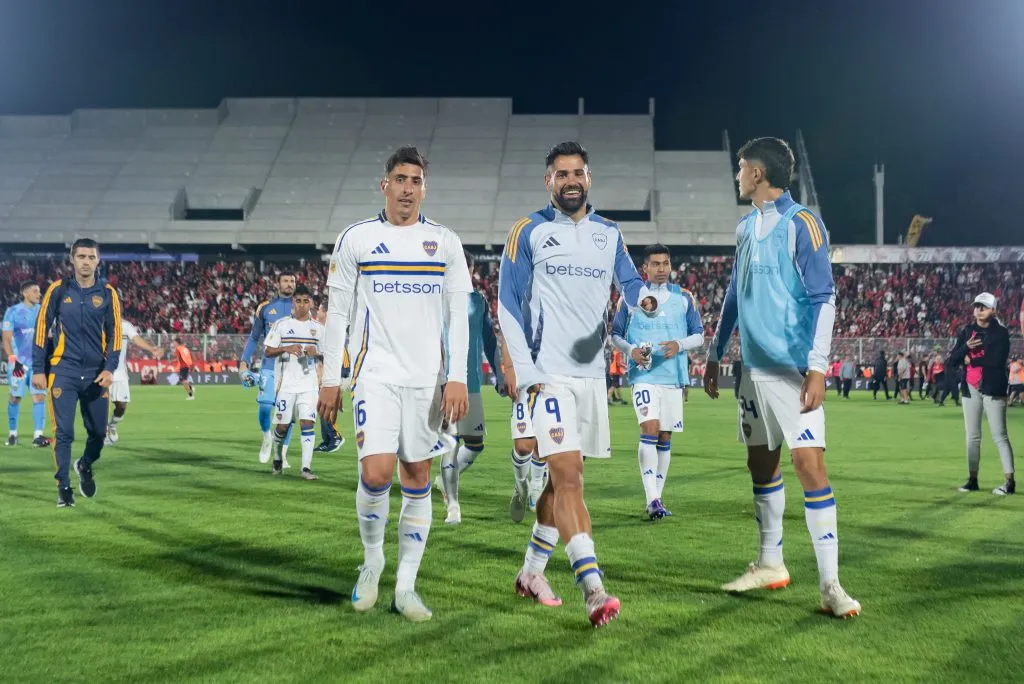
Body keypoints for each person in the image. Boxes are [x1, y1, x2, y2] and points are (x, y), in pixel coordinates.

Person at [704, 137, 860, 618]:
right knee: (761, 464)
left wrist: (818, 367)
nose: (737, 175)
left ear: (757, 173)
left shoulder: (802, 223)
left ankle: (831, 586)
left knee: (809, 465)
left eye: (740, 167)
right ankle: (771, 563)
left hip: (793, 371)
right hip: (753, 371)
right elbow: (735, 293)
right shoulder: (745, 227)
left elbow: (824, 298)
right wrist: (714, 352)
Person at [317, 146, 472, 622]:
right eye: (400, 179)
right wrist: (330, 378)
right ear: (384, 185)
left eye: (416, 180)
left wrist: (457, 377)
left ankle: (406, 586)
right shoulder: (357, 239)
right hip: (375, 374)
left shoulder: (444, 242)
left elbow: (458, 316)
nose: (408, 188)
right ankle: (372, 562)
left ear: (425, 188)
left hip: (427, 378)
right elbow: (338, 314)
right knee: (376, 473)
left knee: (418, 476)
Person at [498, 140, 649, 627]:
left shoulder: (609, 233)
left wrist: (643, 300)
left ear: (588, 178)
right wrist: (525, 371)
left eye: (577, 173)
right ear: (548, 181)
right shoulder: (529, 230)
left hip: (591, 376)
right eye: (561, 174)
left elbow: (629, 282)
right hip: (548, 376)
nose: (570, 181)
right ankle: (592, 588)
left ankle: (530, 572)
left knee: (558, 484)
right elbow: (507, 303)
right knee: (569, 479)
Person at [611, 243, 704, 519]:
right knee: (649, 428)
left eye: (665, 263)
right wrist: (631, 350)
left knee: (664, 436)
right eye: (655, 264)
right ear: (645, 268)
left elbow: (699, 335)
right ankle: (651, 498)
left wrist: (679, 344)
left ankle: (657, 499)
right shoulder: (630, 299)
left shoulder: (684, 297)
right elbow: (615, 335)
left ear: (670, 266)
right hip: (644, 375)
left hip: (673, 376)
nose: (661, 268)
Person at [31, 238, 122, 508]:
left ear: (98, 260)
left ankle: (85, 464)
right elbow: (41, 329)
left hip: (96, 374)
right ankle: (64, 488)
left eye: (91, 257)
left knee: (98, 433)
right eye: (81, 256)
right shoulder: (58, 290)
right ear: (72, 259)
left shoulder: (108, 293)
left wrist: (110, 368)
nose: (86, 262)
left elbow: (115, 334)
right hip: (64, 370)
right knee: (64, 432)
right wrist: (38, 369)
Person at [434, 250, 499, 524]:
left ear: (471, 270)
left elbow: (489, 340)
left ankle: (444, 479)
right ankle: (453, 506)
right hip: (445, 383)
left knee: (475, 444)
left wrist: (499, 374)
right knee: (450, 441)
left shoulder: (478, 301)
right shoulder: (436, 298)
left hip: (471, 384)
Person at [949, 293, 1015, 495]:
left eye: (983, 306)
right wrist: (966, 347)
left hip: (992, 387)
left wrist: (972, 360)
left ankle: (1009, 482)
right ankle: (972, 479)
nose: (978, 310)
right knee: (972, 436)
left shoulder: (1001, 333)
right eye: (976, 306)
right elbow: (952, 359)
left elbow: (997, 361)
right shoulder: (967, 331)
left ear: (993, 310)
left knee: (999, 435)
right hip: (970, 388)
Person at [263, 284, 323, 480]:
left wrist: (317, 352)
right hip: (286, 385)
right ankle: (277, 458)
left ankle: (306, 468)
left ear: (311, 303)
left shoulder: (318, 329)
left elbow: (329, 355)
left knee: (307, 422)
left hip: (309, 385)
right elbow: (267, 351)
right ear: (293, 302)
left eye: (306, 301)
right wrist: (285, 349)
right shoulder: (281, 325)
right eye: (298, 301)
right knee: (282, 426)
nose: (302, 305)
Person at [240, 273, 296, 464]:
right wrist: (244, 361)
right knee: (265, 407)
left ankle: (282, 454)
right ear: (278, 284)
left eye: (292, 281)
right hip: (270, 365)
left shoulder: (301, 307)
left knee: (287, 413)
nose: (289, 284)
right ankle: (266, 437)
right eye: (286, 281)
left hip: (292, 368)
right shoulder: (265, 307)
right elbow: (254, 337)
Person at [3, 281, 50, 447]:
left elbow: (49, 336)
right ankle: (12, 434)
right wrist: (12, 360)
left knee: (39, 396)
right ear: (24, 293)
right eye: (35, 291)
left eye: (39, 291)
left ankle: (38, 435)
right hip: (19, 364)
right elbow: (6, 339)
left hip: (37, 364)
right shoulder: (12, 312)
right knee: (15, 397)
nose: (39, 294)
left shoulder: (43, 311)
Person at [105, 319, 161, 444]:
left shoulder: (125, 325)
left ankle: (112, 425)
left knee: (121, 406)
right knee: (103, 404)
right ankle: (102, 434)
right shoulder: (97, 321)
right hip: (102, 371)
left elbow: (136, 339)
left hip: (120, 373)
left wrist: (151, 349)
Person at [313, 300, 345, 453]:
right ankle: (327, 440)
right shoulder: (322, 330)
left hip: (334, 373)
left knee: (325, 404)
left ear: (325, 312)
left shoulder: (330, 331)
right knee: (320, 404)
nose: (317, 312)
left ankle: (335, 436)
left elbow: (332, 354)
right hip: (326, 372)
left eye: (319, 310)